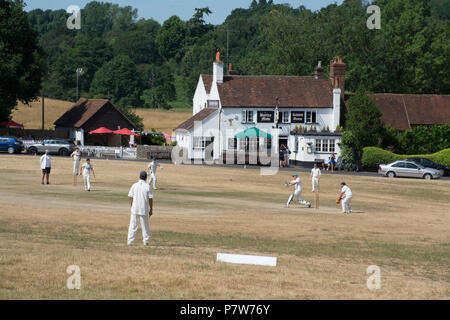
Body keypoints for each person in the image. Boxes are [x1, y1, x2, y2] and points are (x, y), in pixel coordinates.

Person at [127, 171, 153, 246]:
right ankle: (146, 241)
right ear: (146, 178)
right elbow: (150, 198)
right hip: (144, 209)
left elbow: (131, 196)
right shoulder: (147, 186)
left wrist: (132, 206)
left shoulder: (134, 185)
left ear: (139, 177)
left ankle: (130, 241)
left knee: (132, 226)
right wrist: (151, 209)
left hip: (135, 209)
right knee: (145, 226)